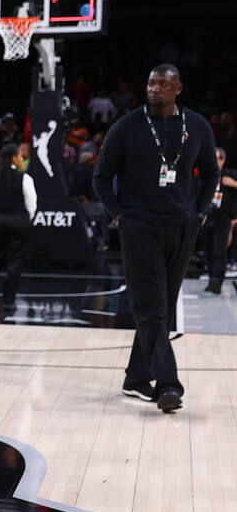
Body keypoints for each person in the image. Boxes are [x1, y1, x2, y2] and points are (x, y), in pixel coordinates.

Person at [93, 64, 218, 413]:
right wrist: (119, 215)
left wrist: (201, 211)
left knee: (159, 309)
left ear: (178, 87)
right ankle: (168, 384)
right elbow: (101, 178)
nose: (155, 88)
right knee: (151, 309)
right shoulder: (127, 127)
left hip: (182, 227)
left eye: (163, 83)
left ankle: (136, 378)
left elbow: (210, 173)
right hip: (140, 228)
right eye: (150, 82)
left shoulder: (197, 126)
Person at [0, 143, 36, 310]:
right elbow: (32, 203)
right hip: (20, 220)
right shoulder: (24, 177)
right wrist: (25, 219)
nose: (22, 158)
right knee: (15, 260)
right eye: (19, 155)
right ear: (13, 158)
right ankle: (8, 301)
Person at [201, 148, 237, 295]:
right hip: (207, 215)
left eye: (217, 158)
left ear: (222, 160)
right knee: (208, 249)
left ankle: (217, 280)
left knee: (219, 249)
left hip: (224, 216)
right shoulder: (206, 175)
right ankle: (211, 279)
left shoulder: (230, 175)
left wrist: (234, 184)